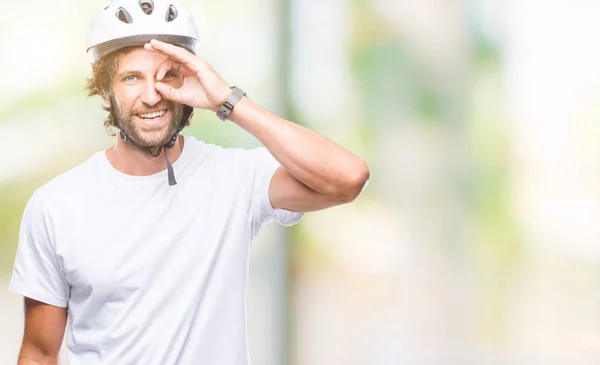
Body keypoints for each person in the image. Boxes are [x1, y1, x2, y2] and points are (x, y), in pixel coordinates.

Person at [9, 0, 371, 364]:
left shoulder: (236, 177)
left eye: (167, 75)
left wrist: (228, 101)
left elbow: (348, 178)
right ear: (105, 91)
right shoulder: (56, 206)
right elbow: (39, 352)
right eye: (131, 78)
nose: (152, 95)